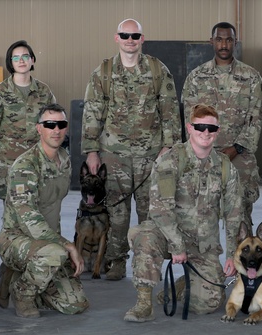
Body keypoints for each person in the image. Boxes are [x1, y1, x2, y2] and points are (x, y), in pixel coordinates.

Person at [124, 104, 243, 322]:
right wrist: (177, 245)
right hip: (166, 235)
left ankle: (177, 288)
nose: (205, 133)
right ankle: (143, 303)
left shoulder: (225, 167)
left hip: (202, 242)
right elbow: (160, 208)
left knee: (209, 303)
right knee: (145, 236)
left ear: (218, 131)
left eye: (211, 128)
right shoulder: (171, 160)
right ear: (189, 128)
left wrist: (232, 254)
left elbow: (234, 212)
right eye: (200, 127)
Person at [83, 18, 182, 280]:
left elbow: (170, 109)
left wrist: (169, 146)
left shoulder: (157, 70)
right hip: (114, 156)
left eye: (134, 36)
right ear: (116, 38)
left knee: (151, 212)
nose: (130, 40)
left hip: (151, 155)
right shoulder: (103, 73)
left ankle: (148, 260)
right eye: (125, 35)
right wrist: (91, 151)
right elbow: (93, 112)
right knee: (116, 212)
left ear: (142, 39)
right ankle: (116, 261)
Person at [0, 103, 87, 318]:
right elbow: (30, 220)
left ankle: (20, 276)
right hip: (18, 238)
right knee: (54, 254)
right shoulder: (25, 166)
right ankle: (22, 293)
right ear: (39, 129)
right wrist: (68, 245)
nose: (56, 130)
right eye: (49, 124)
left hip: (49, 240)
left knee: (75, 304)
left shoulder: (64, 160)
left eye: (61, 124)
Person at [182, 21, 262, 231]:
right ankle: (204, 264)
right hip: (203, 157)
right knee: (200, 219)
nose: (224, 44)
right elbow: (190, 121)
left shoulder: (251, 77)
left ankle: (241, 264)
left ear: (235, 42)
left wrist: (235, 149)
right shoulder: (196, 78)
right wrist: (205, 151)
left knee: (240, 221)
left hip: (240, 157)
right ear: (212, 42)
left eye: (229, 39)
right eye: (219, 39)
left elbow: (255, 119)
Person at [0, 40, 57, 201]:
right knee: (12, 214)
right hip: (7, 163)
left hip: (38, 161)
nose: (21, 61)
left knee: (38, 210)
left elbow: (53, 125)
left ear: (33, 60)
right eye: (15, 58)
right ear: (10, 63)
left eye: (25, 56)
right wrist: (2, 153)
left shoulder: (44, 92)